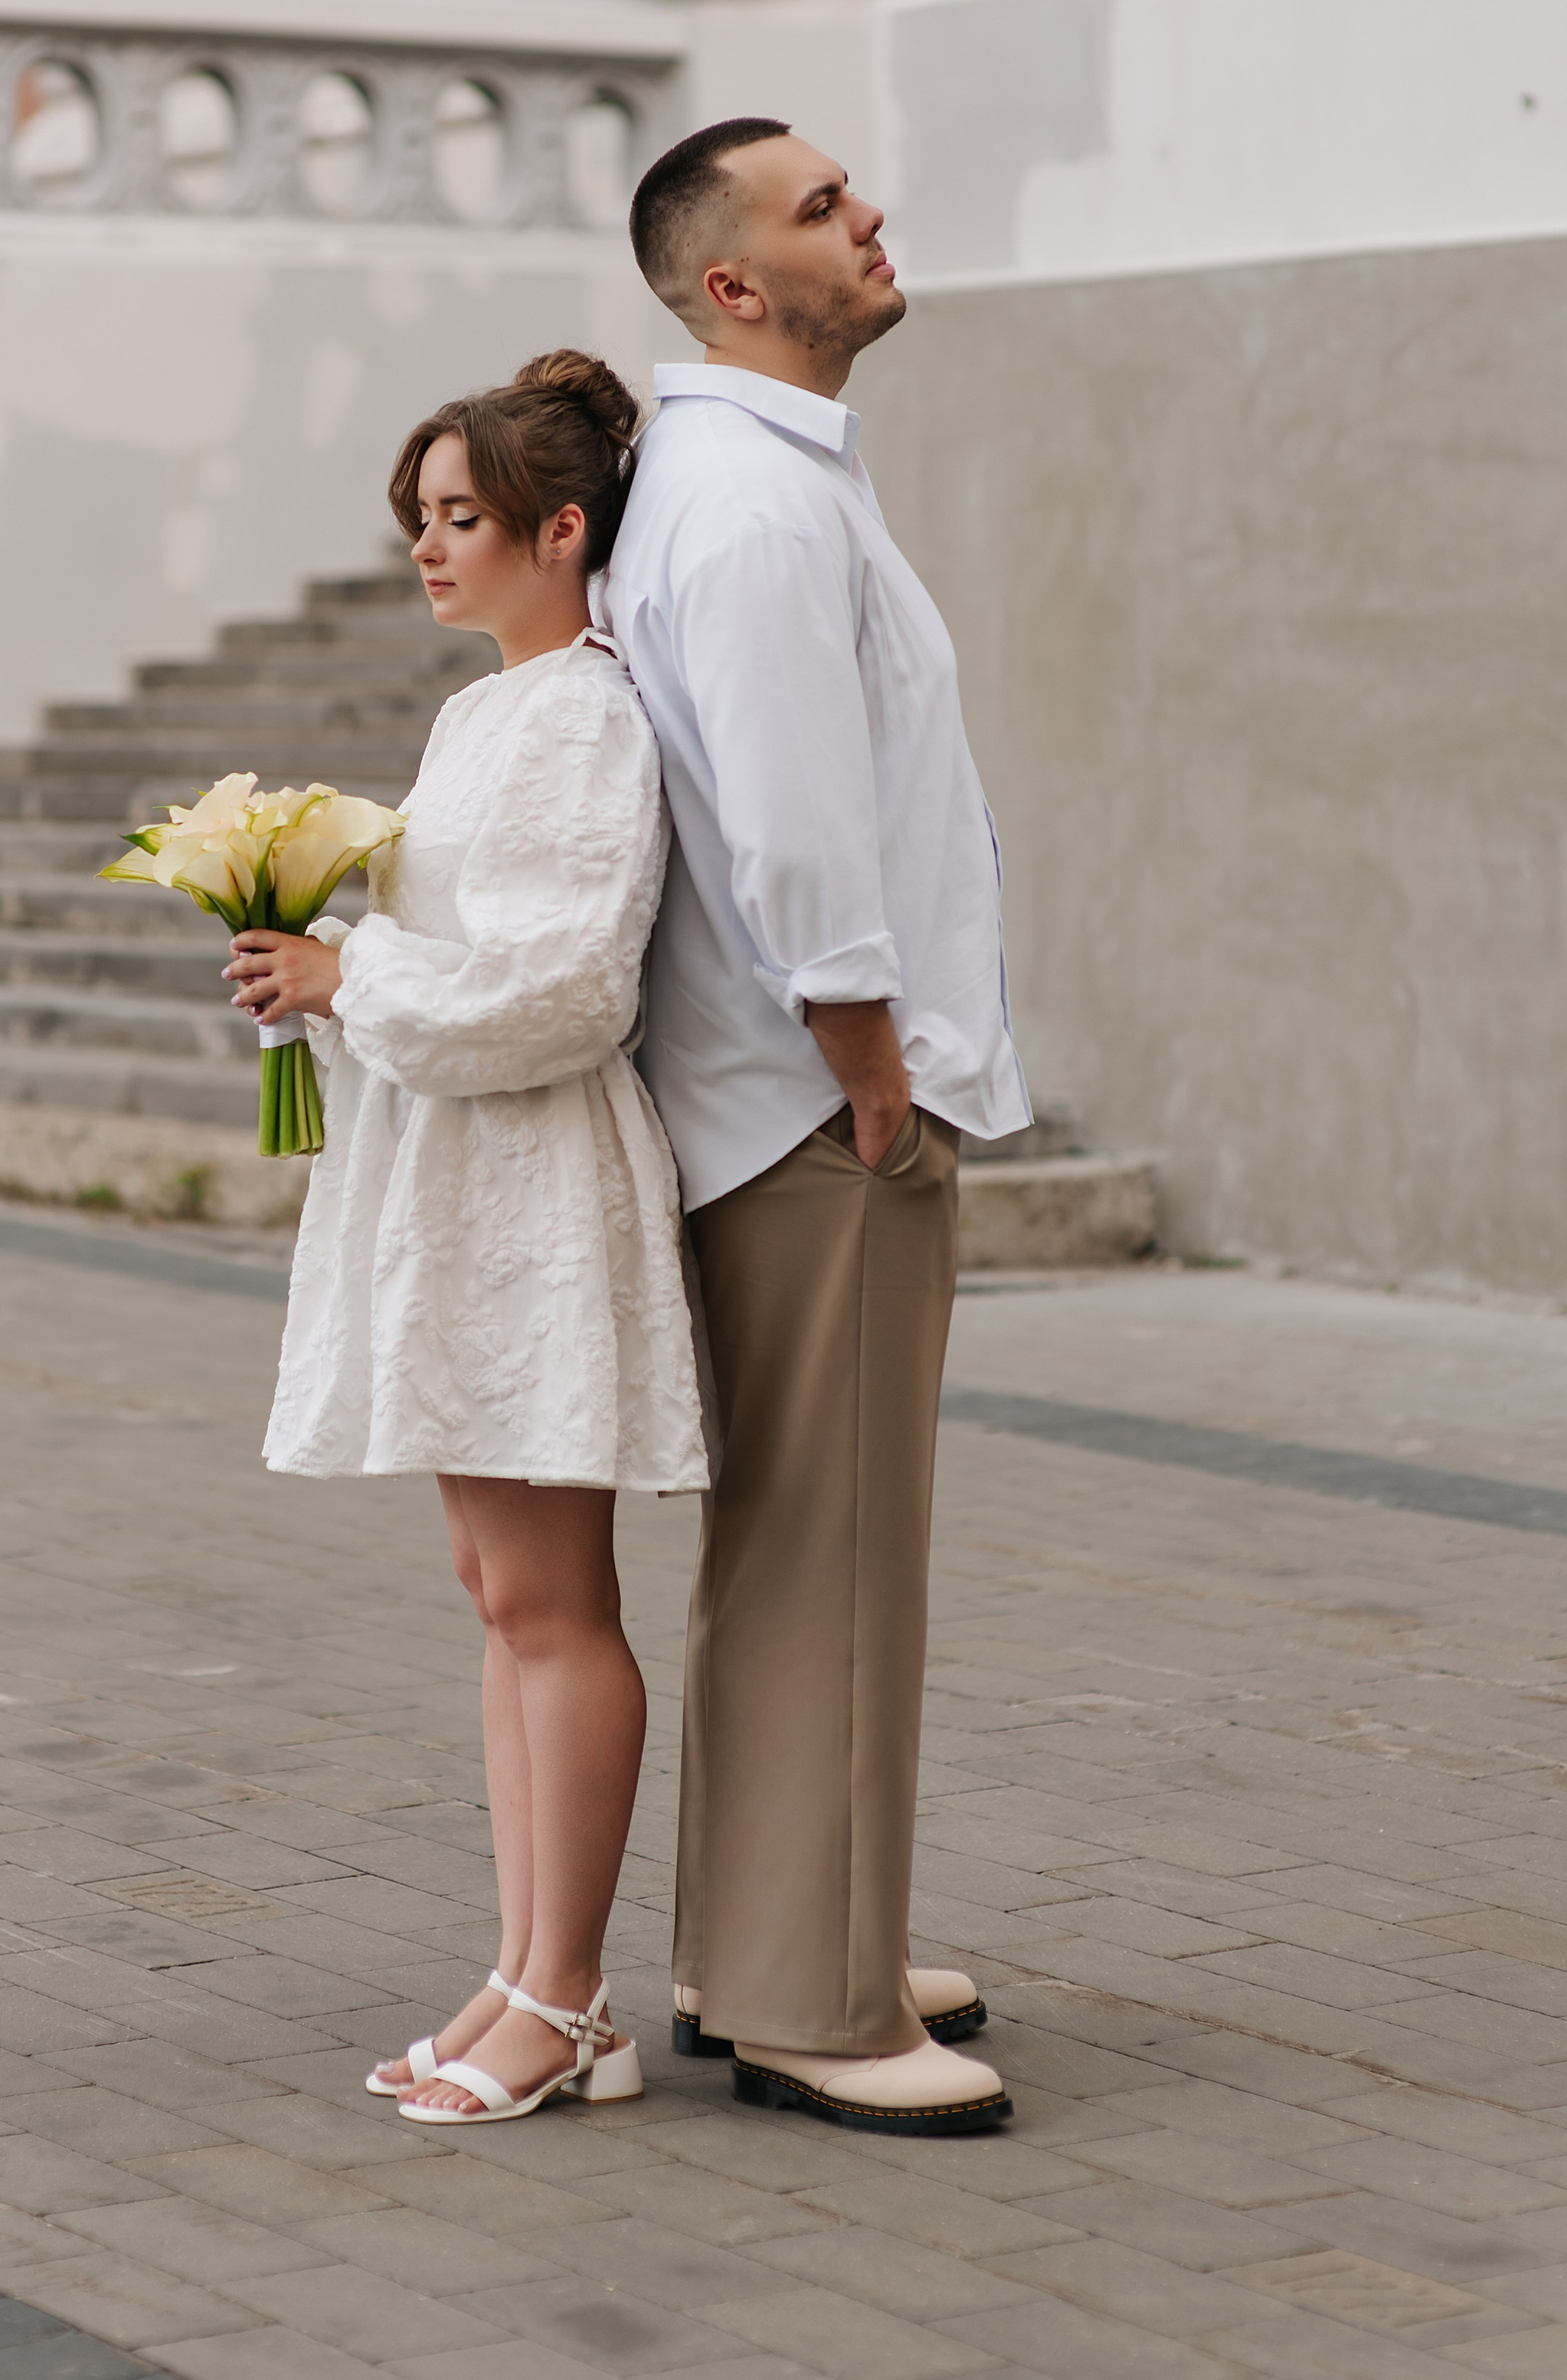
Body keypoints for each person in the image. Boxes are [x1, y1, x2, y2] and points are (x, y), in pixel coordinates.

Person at [601, 119, 1032, 2138]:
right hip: (816, 1105)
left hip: (795, 1095)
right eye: (821, 205)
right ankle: (807, 1995)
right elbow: (791, 825)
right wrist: (875, 1068)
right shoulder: (754, 509)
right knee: (834, 1555)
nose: (873, 213)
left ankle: (780, 1932)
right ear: (733, 286)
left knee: (801, 1549)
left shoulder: (753, 479)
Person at [227, 349, 708, 2129]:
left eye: (460, 517)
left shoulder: (586, 713)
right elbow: (449, 961)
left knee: (553, 1598)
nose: (428, 547)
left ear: (558, 529)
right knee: (497, 1593)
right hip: (453, 1175)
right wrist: (312, 992)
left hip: (532, 1186)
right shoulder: (477, 711)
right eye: (416, 518)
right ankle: (518, 1970)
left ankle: (567, 1998)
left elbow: (569, 985)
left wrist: (354, 972)